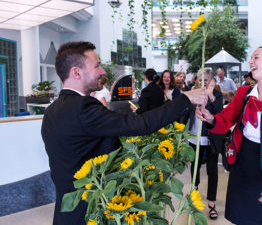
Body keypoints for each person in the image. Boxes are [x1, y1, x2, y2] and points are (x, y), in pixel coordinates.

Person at [41, 41, 207, 225]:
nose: (103, 71)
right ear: (76, 72)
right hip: (91, 213)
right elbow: (139, 124)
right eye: (96, 65)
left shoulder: (52, 111)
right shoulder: (83, 108)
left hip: (66, 214)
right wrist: (186, 99)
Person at [196, 46, 262, 225]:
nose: (250, 61)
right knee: (240, 217)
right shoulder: (244, 93)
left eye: (256, 57)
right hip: (242, 164)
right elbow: (225, 119)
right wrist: (210, 118)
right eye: (251, 58)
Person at [188, 68, 223, 220]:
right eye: (200, 79)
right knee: (194, 166)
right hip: (194, 136)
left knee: (212, 170)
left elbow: (220, 114)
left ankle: (211, 203)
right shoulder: (193, 92)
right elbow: (185, 113)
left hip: (210, 138)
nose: (203, 82)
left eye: (206, 80)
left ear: (212, 81)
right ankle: (194, 192)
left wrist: (210, 95)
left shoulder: (217, 95)